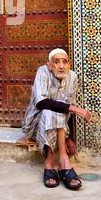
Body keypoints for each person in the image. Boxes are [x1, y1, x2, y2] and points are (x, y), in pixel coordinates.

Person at [20, 48, 91, 190]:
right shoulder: (42, 72)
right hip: (36, 125)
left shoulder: (72, 77)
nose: (61, 66)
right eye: (56, 62)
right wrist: (74, 109)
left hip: (61, 128)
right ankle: (51, 162)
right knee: (50, 110)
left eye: (65, 62)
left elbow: (67, 111)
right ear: (49, 65)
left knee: (59, 110)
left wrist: (68, 137)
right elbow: (41, 102)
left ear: (69, 65)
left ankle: (62, 163)